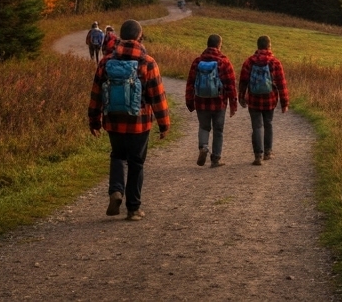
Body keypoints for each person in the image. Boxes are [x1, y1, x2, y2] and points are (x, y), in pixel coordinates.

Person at [88, 19, 170, 221]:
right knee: (136, 162)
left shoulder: (106, 61)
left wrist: (94, 120)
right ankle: (133, 209)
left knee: (117, 156)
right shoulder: (148, 62)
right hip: (139, 122)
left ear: (120, 37)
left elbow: (96, 93)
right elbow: (157, 97)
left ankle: (116, 191)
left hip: (113, 119)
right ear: (139, 36)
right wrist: (164, 124)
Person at [185, 34, 237, 167]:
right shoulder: (224, 61)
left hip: (201, 101)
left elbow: (190, 83)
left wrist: (190, 101)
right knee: (218, 130)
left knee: (204, 126)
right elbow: (230, 84)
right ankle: (216, 159)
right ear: (219, 45)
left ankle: (203, 147)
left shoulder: (197, 61)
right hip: (219, 102)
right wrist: (233, 104)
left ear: (207, 44)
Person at [238, 35, 289, 165]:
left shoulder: (249, 62)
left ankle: (258, 155)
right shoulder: (275, 62)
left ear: (258, 46)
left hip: (254, 99)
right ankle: (268, 152)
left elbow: (243, 81)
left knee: (257, 126)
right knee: (268, 124)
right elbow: (281, 84)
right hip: (270, 100)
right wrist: (284, 103)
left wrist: (241, 96)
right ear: (269, 46)